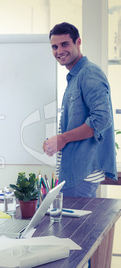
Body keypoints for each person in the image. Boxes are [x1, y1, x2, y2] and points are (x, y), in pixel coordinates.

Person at [43, 22, 117, 197]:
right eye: (54, 46)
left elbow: (101, 120)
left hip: (82, 173)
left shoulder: (89, 73)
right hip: (74, 171)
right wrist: (55, 142)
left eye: (65, 44)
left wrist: (62, 138)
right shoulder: (75, 77)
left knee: (74, 225)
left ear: (78, 42)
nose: (59, 51)